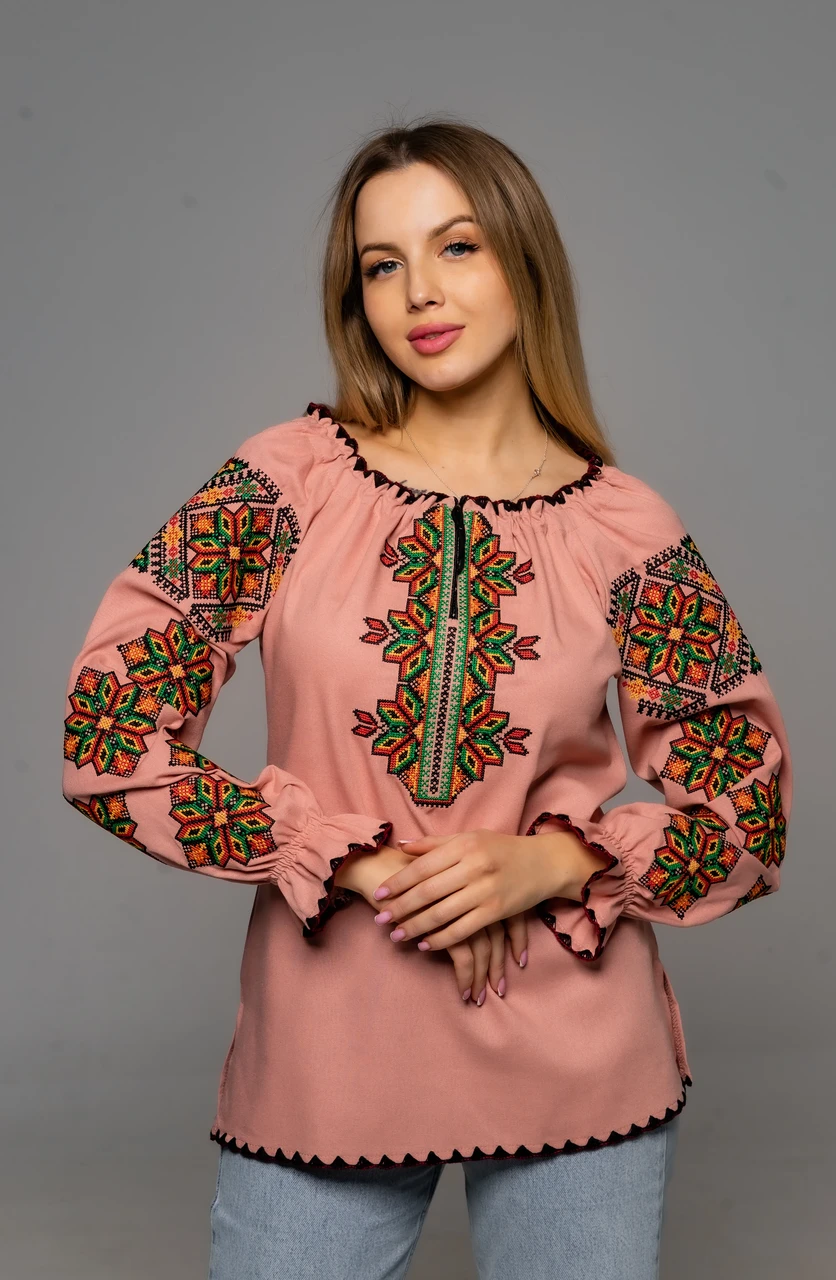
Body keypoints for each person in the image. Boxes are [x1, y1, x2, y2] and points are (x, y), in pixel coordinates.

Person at [61, 115, 793, 1280]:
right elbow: (108, 735)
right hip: (330, 1044)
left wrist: (551, 862)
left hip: (576, 1049)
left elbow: (747, 813)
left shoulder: (624, 529)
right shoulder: (285, 482)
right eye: (381, 264)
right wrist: (357, 862)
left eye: (456, 246)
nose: (418, 293)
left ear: (522, 260)